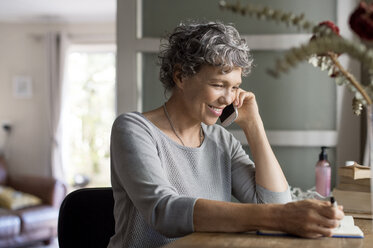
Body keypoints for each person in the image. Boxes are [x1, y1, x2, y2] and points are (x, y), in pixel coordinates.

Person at [107, 21, 344, 248]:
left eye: (234, 87)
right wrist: (280, 216)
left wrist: (254, 125)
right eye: (219, 85)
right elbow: (164, 211)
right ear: (180, 77)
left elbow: (274, 204)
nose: (229, 98)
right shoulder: (133, 129)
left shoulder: (221, 140)